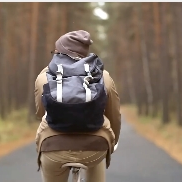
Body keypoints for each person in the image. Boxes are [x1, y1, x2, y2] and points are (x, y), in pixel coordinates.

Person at [35, 30, 121, 182]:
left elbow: (41, 113)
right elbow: (114, 114)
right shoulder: (103, 76)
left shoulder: (44, 76)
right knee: (97, 148)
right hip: (95, 148)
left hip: (53, 147)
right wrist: (112, 143)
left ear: (60, 52)